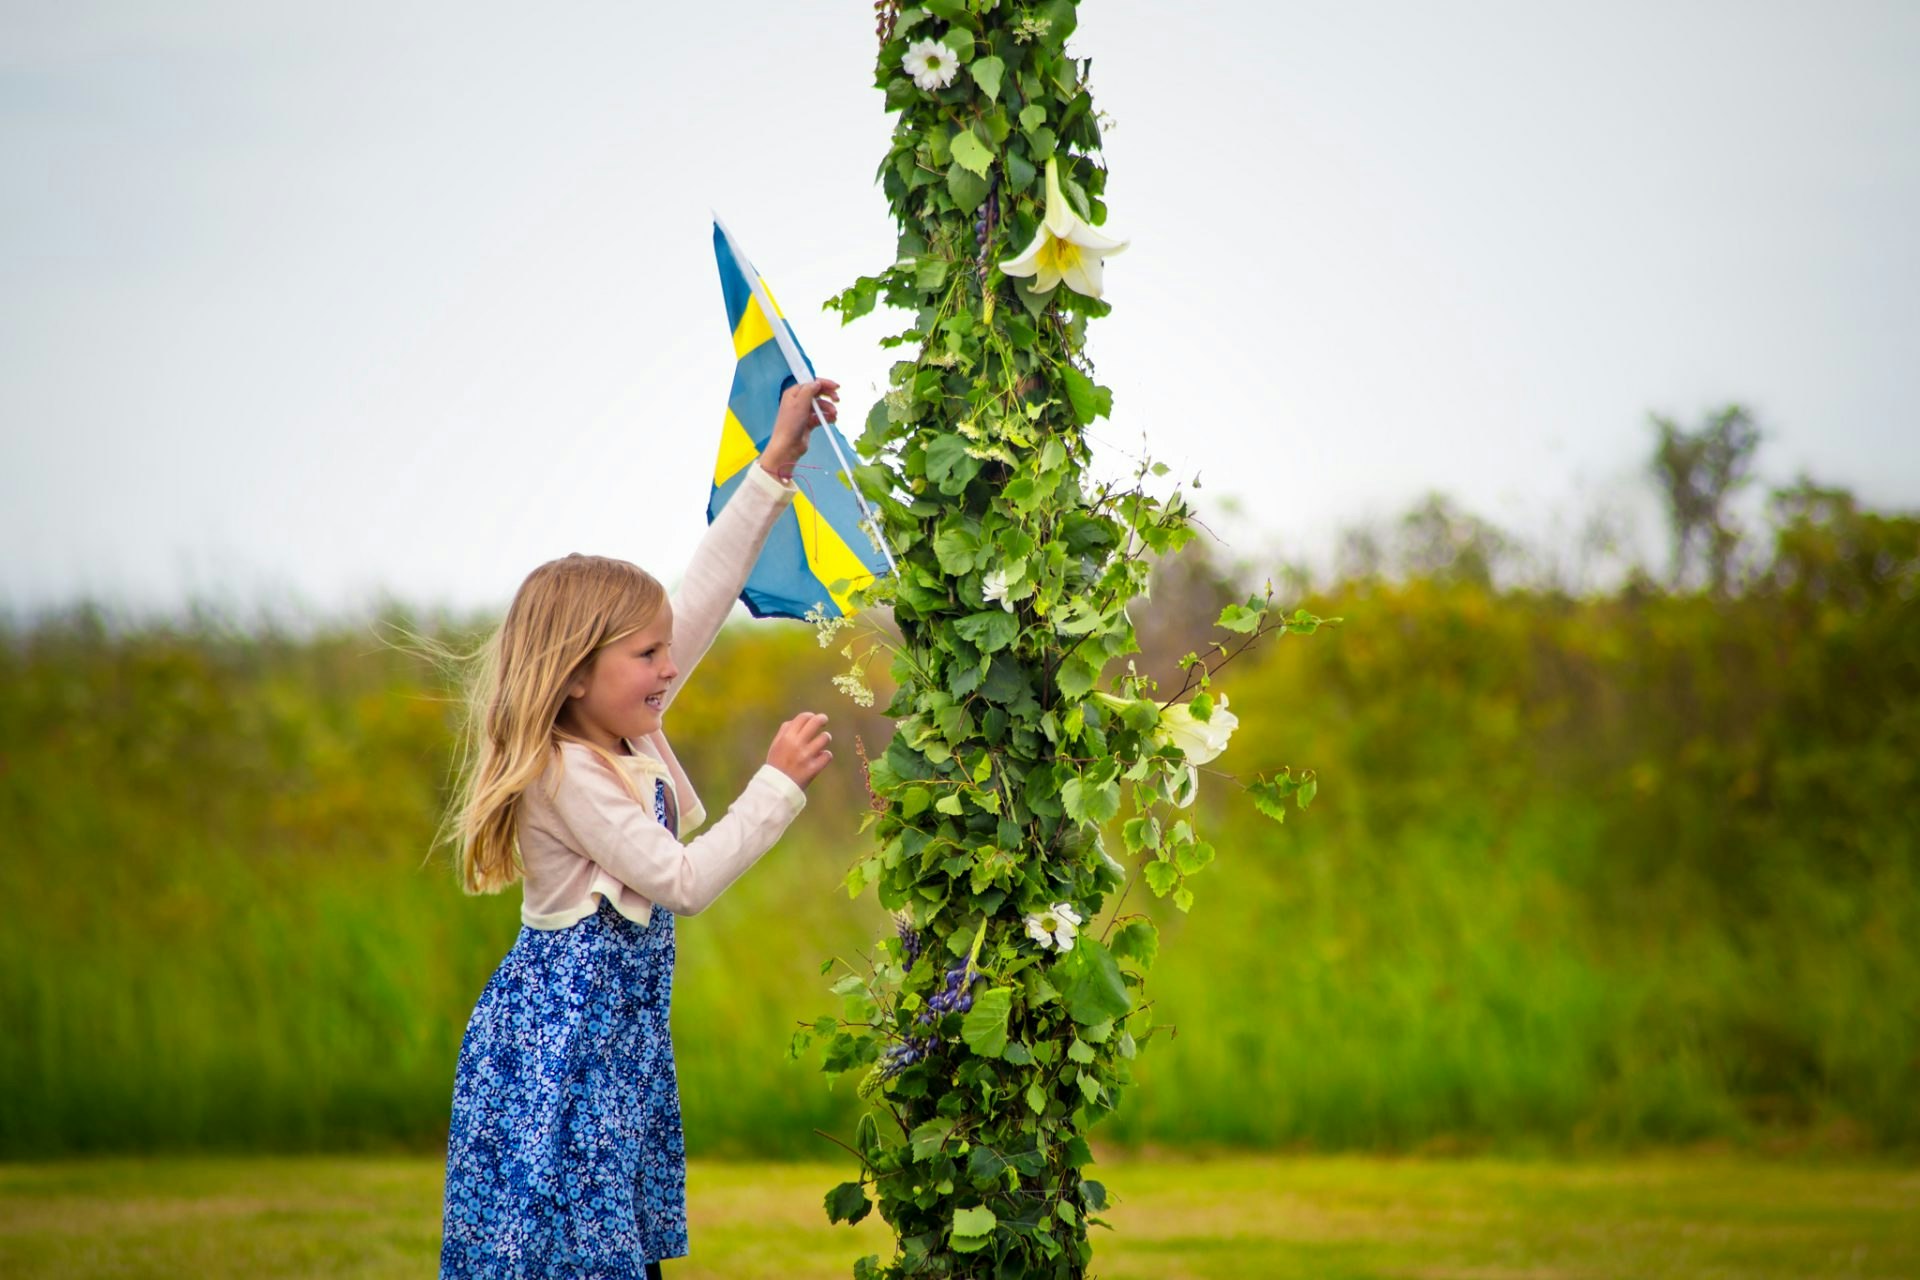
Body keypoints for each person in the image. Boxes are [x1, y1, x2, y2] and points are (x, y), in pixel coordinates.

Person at [438, 379, 842, 1279]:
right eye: (648, 656)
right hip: (566, 1040)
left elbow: (698, 593)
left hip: (616, 1041)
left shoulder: (622, 725)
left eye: (666, 650)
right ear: (577, 673)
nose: (670, 666)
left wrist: (774, 465)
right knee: (571, 1252)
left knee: (604, 1245)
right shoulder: (566, 772)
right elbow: (682, 882)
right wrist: (772, 786)